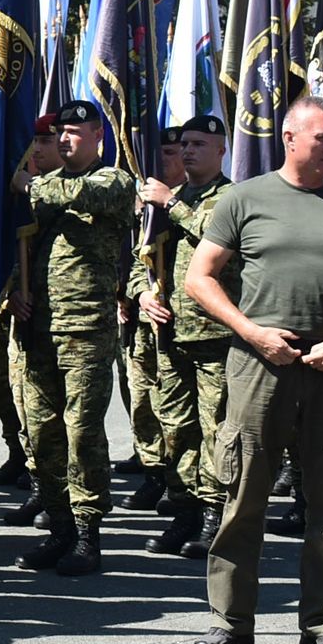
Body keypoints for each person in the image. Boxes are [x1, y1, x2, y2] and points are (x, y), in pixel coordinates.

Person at [185, 95, 323, 644]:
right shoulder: (244, 199)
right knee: (244, 496)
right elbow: (200, 279)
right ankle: (231, 621)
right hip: (259, 365)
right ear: (289, 136)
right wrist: (252, 333)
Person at [14, 99, 136, 575]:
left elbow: (81, 197)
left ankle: (88, 532)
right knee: (42, 430)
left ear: (97, 136)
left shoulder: (113, 180)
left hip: (85, 326)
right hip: (40, 323)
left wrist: (34, 184)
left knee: (81, 430)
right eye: (59, 132)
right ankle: (60, 527)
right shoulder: (49, 186)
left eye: (75, 132)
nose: (64, 139)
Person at [143, 114, 232, 559]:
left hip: (214, 331)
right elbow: (142, 260)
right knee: (175, 426)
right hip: (170, 329)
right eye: (184, 145)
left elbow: (218, 236)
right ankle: (185, 508)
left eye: (199, 144)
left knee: (216, 428)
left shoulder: (233, 197)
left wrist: (170, 204)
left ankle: (216, 514)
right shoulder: (169, 198)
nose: (189, 151)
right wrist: (142, 294)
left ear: (220, 150)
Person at [123, 122, 187, 510]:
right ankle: (154, 472)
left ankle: (187, 488)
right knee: (143, 398)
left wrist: (171, 205)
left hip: (187, 319)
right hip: (144, 318)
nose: (161, 160)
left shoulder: (202, 199)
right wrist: (137, 292)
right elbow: (131, 259)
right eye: (158, 152)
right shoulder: (142, 203)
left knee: (180, 408)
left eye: (170, 152)